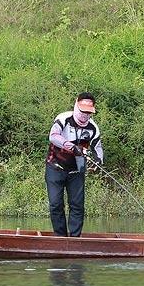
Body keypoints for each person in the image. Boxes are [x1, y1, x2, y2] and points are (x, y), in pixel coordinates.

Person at [45, 93, 103, 237]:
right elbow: (53, 136)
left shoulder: (93, 128)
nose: (85, 115)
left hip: (77, 171)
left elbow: (98, 149)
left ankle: (75, 239)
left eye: (88, 112)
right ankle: (60, 238)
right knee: (55, 204)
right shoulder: (63, 118)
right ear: (76, 105)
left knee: (77, 206)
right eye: (83, 111)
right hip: (55, 167)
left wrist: (98, 162)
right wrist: (71, 146)